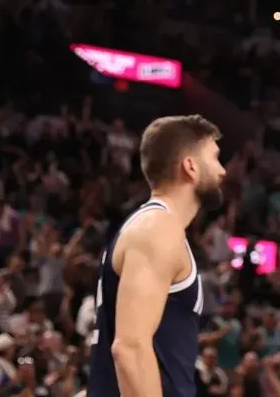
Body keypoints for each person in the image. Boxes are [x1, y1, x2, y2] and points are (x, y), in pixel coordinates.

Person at [87, 114, 225, 397]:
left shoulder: (156, 228)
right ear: (191, 166)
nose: (222, 171)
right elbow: (130, 348)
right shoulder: (157, 229)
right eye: (215, 158)